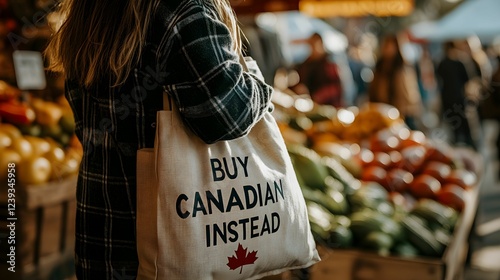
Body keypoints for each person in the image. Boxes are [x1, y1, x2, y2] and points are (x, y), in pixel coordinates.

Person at [44, 0, 274, 278]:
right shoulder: (180, 12)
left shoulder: (89, 12)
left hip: (102, 242)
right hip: (171, 253)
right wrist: (263, 90)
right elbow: (227, 115)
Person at [368, 34, 422, 130]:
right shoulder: (379, 67)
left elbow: (407, 93)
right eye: (387, 46)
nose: (388, 49)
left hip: (401, 113)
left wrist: (405, 111)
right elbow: (375, 90)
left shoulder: (402, 68)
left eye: (391, 46)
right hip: (382, 112)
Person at [436, 41, 477, 150]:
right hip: (458, 99)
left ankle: (462, 146)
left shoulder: (443, 63)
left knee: (456, 125)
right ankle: (468, 146)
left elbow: (439, 81)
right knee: (463, 124)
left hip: (449, 99)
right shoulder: (460, 62)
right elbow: (467, 81)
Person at [292, 33, 344, 107]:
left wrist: (318, 97)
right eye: (310, 45)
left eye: (314, 44)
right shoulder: (307, 63)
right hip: (309, 105)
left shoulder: (329, 63)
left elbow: (335, 88)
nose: (312, 48)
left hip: (328, 107)